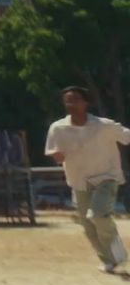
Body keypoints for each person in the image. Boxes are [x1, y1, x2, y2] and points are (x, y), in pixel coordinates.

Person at [43, 85, 130, 273]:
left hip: (106, 177)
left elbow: (126, 136)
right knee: (88, 225)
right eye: (68, 100)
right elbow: (54, 151)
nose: (71, 104)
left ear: (85, 102)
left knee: (98, 215)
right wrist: (58, 156)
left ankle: (118, 254)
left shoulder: (104, 125)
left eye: (75, 99)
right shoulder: (58, 128)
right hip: (79, 181)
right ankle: (107, 260)